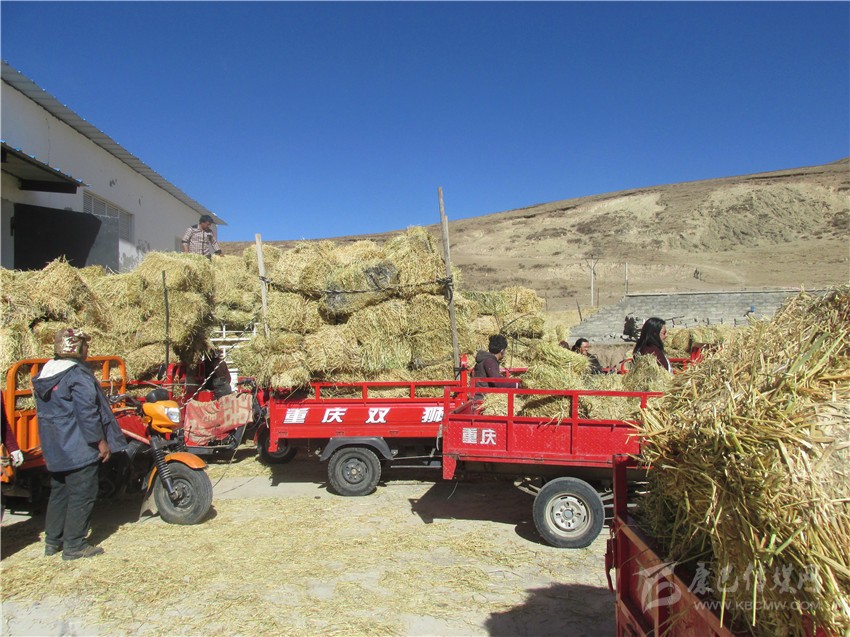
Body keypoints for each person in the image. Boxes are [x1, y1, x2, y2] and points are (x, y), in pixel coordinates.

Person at [33, 328, 128, 560]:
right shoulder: (77, 375)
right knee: (83, 493)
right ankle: (75, 545)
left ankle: (53, 541)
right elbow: (87, 412)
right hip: (78, 446)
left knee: (60, 491)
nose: (88, 349)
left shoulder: (46, 372)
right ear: (75, 348)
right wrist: (100, 442)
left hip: (55, 446)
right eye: (85, 345)